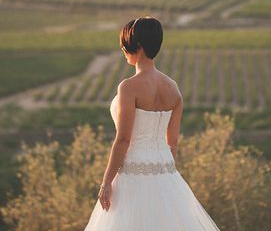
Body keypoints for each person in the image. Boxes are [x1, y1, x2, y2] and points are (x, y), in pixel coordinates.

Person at [84, 16, 221, 230]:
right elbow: (172, 143)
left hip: (132, 175)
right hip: (166, 174)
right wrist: (162, 173)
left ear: (137, 46)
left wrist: (106, 182)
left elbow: (123, 139)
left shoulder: (128, 87)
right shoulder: (173, 88)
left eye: (125, 44)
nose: (122, 48)